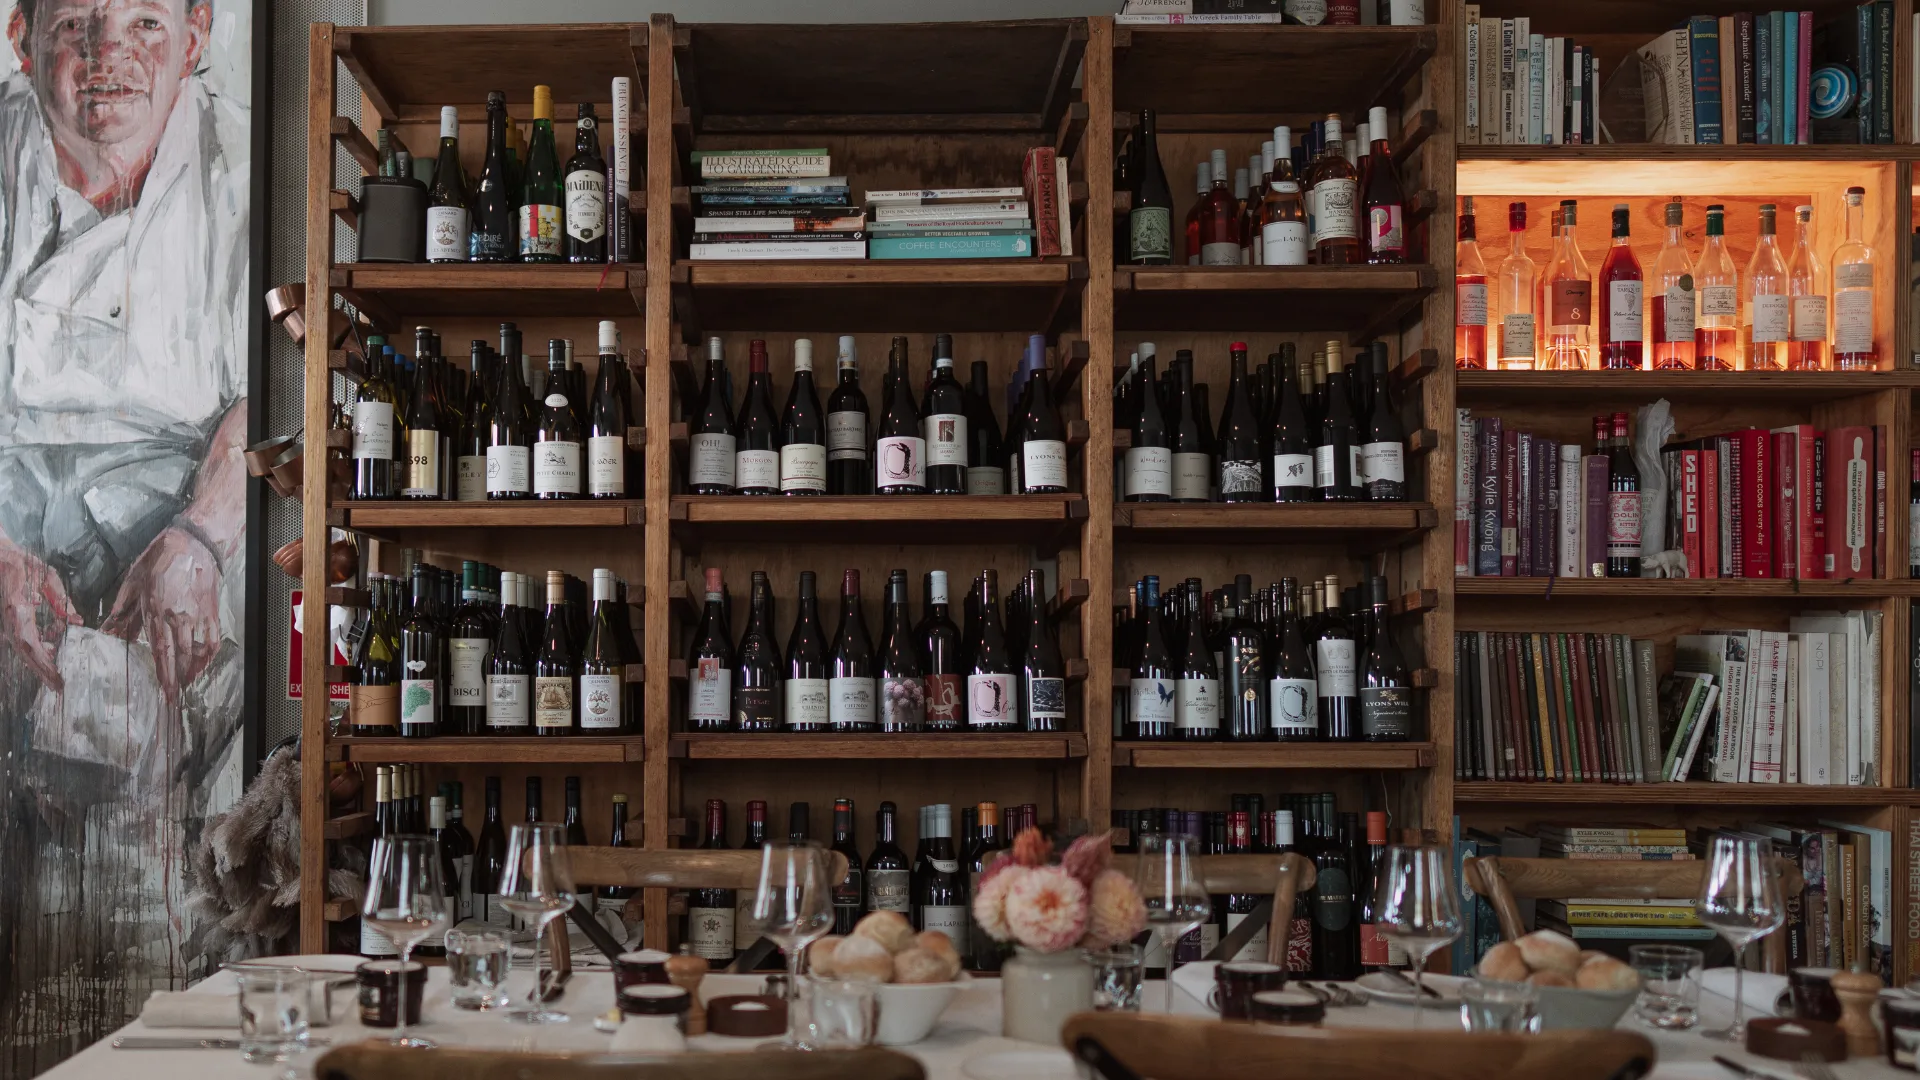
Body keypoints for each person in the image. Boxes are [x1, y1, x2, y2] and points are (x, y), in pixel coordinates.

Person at [0, 0, 247, 1067]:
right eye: (77, 27)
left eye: (145, 24)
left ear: (196, 38)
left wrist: (199, 537)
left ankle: (140, 1046)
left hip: (184, 514)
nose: (110, 59)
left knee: (124, 719)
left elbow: (276, 398)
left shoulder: (240, 169)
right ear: (22, 37)